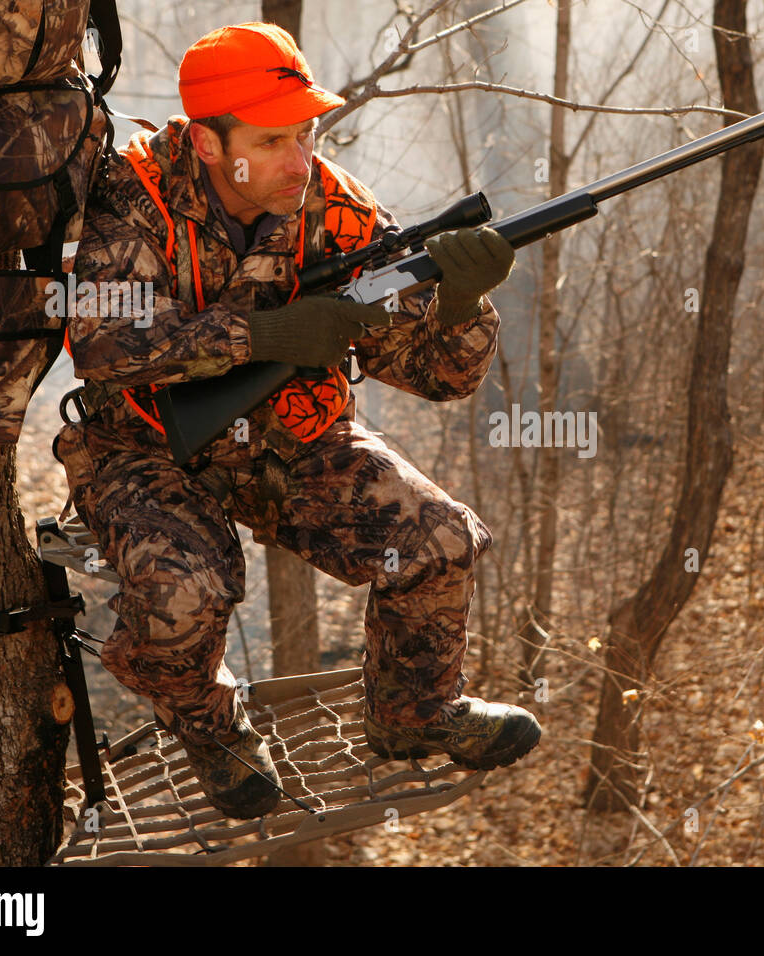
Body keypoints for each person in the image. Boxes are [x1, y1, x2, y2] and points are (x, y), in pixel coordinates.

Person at [53, 21, 541, 819]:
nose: (300, 158)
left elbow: (441, 375)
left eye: (307, 133)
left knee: (437, 539)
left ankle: (415, 715)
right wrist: (268, 334)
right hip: (140, 445)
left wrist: (460, 301)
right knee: (180, 596)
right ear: (209, 144)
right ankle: (210, 730)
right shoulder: (130, 197)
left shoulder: (337, 208)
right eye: (275, 139)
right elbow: (106, 346)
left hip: (287, 436)